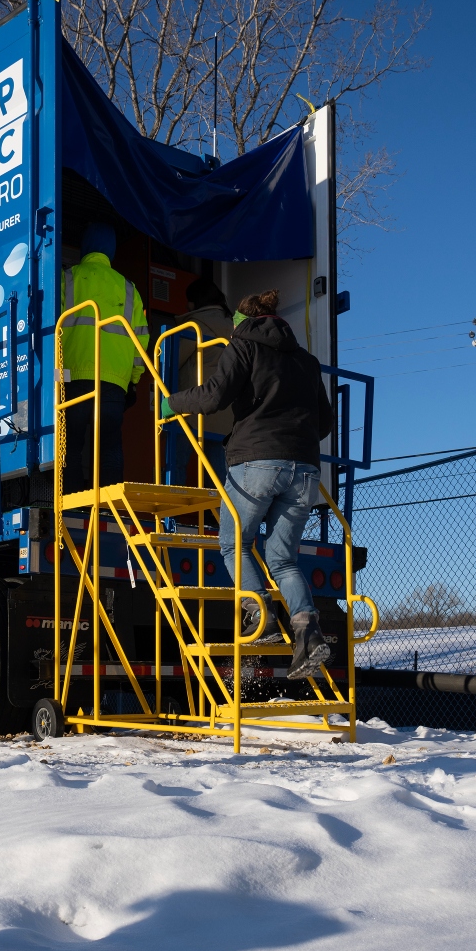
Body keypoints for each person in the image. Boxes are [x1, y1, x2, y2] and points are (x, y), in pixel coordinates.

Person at [162, 289, 335, 679]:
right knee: (283, 559)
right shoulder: (307, 361)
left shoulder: (242, 346)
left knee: (234, 543)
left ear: (243, 322)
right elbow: (325, 424)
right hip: (306, 469)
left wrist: (171, 403)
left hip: (256, 463)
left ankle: (262, 619)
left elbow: (213, 397)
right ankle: (308, 633)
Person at [60, 222, 148, 495]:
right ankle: (110, 509)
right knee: (109, 445)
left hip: (71, 377)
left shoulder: (68, 278)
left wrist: (55, 378)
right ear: (111, 251)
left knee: (70, 445)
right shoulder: (129, 288)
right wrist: (131, 382)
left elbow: (50, 333)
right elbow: (141, 342)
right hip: (113, 383)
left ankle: (70, 504)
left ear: (85, 247)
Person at [173, 277, 235, 479]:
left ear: (195, 301)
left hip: (192, 404)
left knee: (175, 464)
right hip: (223, 406)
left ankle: (171, 511)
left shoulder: (194, 325)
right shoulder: (234, 326)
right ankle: (220, 511)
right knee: (217, 472)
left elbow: (172, 360)